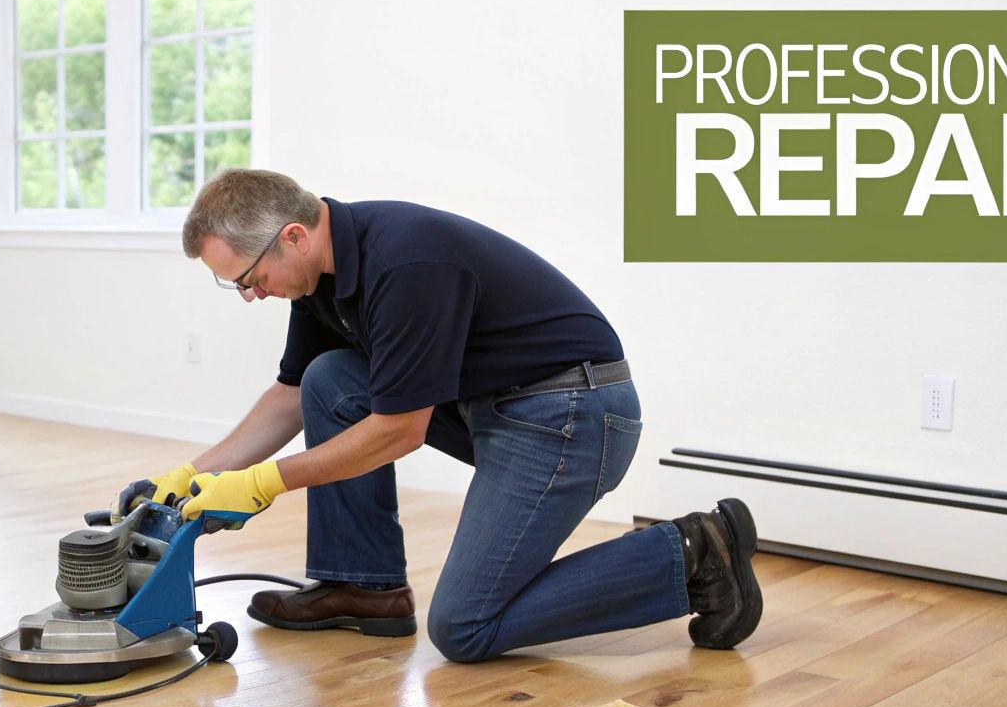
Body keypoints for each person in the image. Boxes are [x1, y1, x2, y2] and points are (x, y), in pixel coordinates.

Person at [112, 169, 763, 663]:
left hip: (574, 416)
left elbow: (400, 429)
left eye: (249, 277)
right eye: (236, 285)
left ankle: (690, 553)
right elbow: (289, 397)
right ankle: (363, 588)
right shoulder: (319, 279)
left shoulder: (408, 261)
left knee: (465, 628)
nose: (250, 295)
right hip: (499, 408)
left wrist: (263, 483)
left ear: (294, 236)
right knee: (331, 377)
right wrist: (190, 476)